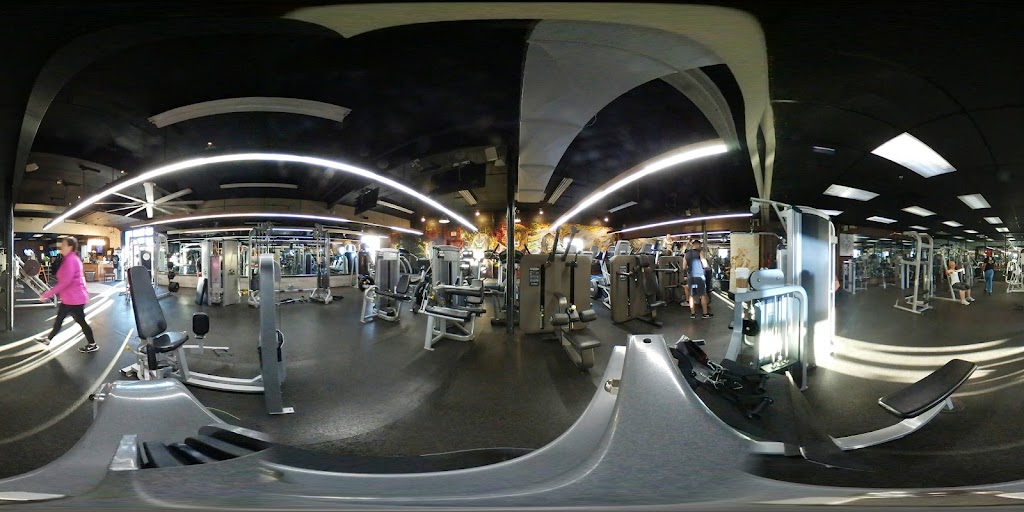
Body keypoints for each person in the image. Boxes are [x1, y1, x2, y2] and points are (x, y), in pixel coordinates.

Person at [34, 237, 98, 352]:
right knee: (65, 320)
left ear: (70, 247)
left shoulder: (71, 260)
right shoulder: (70, 259)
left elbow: (65, 282)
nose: (61, 247)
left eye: (64, 245)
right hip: (71, 298)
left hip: (75, 299)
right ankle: (48, 339)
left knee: (76, 321)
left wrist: (47, 294)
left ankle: (92, 344)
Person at [682, 239, 712, 319]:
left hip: (690, 276)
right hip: (699, 276)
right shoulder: (700, 252)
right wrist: (707, 266)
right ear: (698, 245)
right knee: (703, 295)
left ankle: (693, 314)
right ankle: (705, 314)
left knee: (691, 295)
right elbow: (705, 264)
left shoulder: (686, 254)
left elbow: (684, 267)